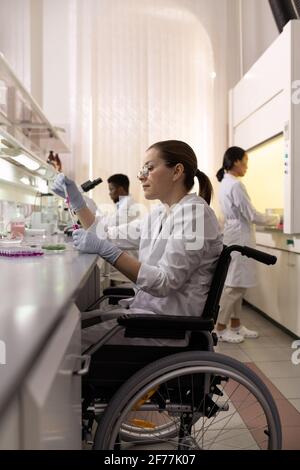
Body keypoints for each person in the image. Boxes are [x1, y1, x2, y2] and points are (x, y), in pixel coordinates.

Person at [52, 140, 223, 350]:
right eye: (143, 169)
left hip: (167, 328)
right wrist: (77, 202)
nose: (141, 176)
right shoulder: (160, 214)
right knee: (68, 328)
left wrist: (107, 250)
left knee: (63, 345)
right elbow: (104, 233)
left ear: (177, 171)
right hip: (146, 316)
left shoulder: (196, 215)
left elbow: (164, 282)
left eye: (150, 168)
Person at [215, 146, 280, 343]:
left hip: (233, 236)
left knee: (236, 284)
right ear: (235, 161)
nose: (247, 167)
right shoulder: (235, 185)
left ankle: (235, 325)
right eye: (245, 162)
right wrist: (276, 218)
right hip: (240, 239)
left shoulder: (226, 183)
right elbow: (251, 214)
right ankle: (220, 328)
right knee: (234, 287)